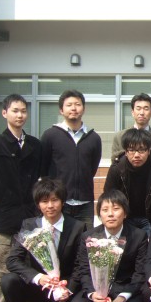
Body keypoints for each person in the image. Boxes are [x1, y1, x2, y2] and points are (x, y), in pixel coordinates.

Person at [1, 178, 86, 302]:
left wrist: (68, 288)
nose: (50, 206)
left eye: (55, 200)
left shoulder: (77, 227)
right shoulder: (29, 225)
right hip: (39, 287)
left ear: (63, 202)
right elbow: (12, 260)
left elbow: (81, 264)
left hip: (64, 286)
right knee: (8, 281)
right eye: (45, 201)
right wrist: (38, 277)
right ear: (38, 204)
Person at [0, 94, 42, 302]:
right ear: (5, 113)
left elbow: (39, 178)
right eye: (15, 110)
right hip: (6, 216)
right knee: (4, 263)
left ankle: (24, 300)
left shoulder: (34, 145)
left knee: (28, 261)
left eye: (23, 111)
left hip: (29, 216)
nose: (20, 115)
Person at [69, 190, 148, 302]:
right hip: (98, 288)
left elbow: (140, 272)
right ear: (99, 214)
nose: (110, 214)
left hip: (125, 287)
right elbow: (83, 270)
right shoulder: (89, 237)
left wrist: (122, 298)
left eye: (116, 209)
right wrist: (93, 294)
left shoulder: (138, 236)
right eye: (105, 210)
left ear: (125, 213)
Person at [40, 90, 102, 228]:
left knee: (86, 239)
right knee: (57, 240)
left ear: (83, 109)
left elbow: (92, 168)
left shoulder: (94, 138)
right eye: (69, 105)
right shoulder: (50, 135)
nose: (73, 108)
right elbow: (43, 168)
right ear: (61, 110)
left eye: (77, 104)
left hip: (85, 203)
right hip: (58, 202)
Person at [104, 128, 151, 235]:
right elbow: (109, 197)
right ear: (126, 152)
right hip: (124, 218)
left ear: (149, 151)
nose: (136, 155)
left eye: (141, 150)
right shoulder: (117, 168)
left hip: (150, 218)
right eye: (131, 150)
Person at [111, 93, 151, 164]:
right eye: (138, 108)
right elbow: (115, 164)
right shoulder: (119, 137)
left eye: (146, 109)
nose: (142, 113)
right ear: (132, 112)